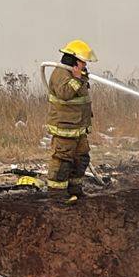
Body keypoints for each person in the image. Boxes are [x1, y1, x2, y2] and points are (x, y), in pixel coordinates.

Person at [46, 40, 96, 203]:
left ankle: (75, 189)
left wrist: (80, 77)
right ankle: (57, 194)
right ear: (74, 60)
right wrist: (76, 78)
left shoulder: (77, 75)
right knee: (63, 160)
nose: (85, 64)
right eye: (83, 61)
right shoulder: (60, 74)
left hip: (78, 128)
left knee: (81, 158)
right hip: (65, 128)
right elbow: (65, 94)